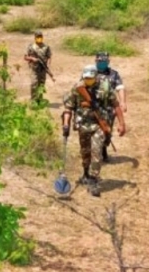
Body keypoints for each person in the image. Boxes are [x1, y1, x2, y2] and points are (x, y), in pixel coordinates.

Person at [62, 65, 126, 197]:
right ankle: (85, 173)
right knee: (85, 152)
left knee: (96, 152)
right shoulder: (77, 88)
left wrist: (121, 123)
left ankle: (93, 180)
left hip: (99, 124)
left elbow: (116, 105)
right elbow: (68, 107)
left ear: (96, 76)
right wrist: (66, 125)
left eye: (91, 78)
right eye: (86, 78)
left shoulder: (105, 87)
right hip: (83, 124)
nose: (88, 80)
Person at [94, 51, 126, 162]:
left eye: (104, 61)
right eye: (99, 61)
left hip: (109, 109)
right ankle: (96, 154)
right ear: (96, 61)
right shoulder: (90, 73)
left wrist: (122, 102)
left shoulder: (114, 74)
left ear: (108, 61)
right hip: (94, 107)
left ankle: (104, 148)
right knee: (95, 132)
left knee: (107, 131)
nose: (101, 63)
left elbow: (120, 88)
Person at [24, 31, 52, 103]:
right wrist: (32, 59)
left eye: (40, 37)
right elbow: (25, 57)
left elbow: (49, 56)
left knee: (41, 84)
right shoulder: (31, 47)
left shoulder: (46, 47)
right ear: (35, 38)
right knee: (34, 83)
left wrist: (48, 64)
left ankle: (40, 99)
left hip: (43, 69)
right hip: (34, 68)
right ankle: (33, 100)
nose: (39, 38)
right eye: (38, 37)